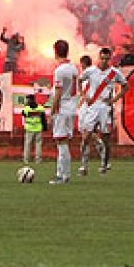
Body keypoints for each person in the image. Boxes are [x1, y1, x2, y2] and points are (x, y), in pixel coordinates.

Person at [78, 46, 127, 175]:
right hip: (92, 105)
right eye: (102, 58)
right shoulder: (91, 71)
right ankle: (83, 165)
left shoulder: (114, 72)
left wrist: (114, 99)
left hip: (105, 106)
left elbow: (125, 86)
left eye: (107, 59)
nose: (104, 61)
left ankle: (104, 165)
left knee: (105, 137)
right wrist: (83, 95)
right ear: (99, 57)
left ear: (110, 58)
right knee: (86, 135)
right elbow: (79, 80)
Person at [46, 39, 80, 184]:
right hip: (72, 108)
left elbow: (58, 94)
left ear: (55, 52)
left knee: (61, 142)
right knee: (64, 141)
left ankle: (62, 175)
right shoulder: (74, 68)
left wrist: (51, 113)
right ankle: (64, 174)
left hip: (62, 108)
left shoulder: (59, 71)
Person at [21, 93, 46, 163]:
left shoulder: (26, 109)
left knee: (27, 145)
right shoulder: (40, 108)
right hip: (38, 128)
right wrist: (44, 128)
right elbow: (43, 119)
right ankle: (38, 159)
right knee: (38, 145)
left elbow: (23, 115)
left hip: (29, 129)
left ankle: (26, 159)